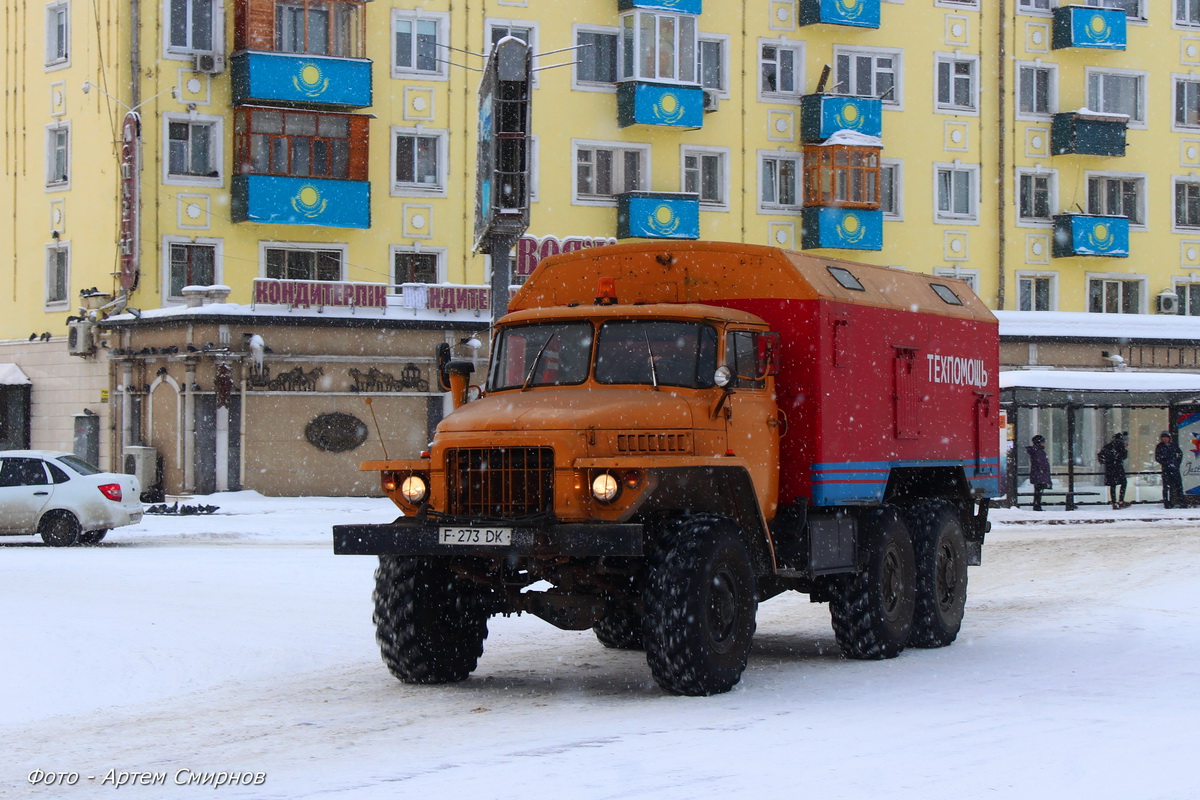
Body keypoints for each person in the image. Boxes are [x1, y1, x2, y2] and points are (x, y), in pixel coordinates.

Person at [1098, 432, 1130, 509]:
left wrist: (1108, 460)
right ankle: (1121, 501)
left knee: (1113, 485)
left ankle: (1114, 502)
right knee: (1124, 483)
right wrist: (1125, 449)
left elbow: (1101, 457)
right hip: (1118, 467)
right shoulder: (1121, 445)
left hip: (1110, 468)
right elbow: (1124, 456)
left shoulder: (1108, 446)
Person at [1155, 430, 1184, 509]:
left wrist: (1177, 463)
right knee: (1166, 486)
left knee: (1178, 485)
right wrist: (1166, 463)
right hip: (1166, 469)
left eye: (1166, 437)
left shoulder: (1173, 445)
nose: (1165, 439)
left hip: (1174, 468)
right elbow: (1157, 457)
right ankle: (1167, 503)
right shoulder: (1160, 446)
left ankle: (1181, 501)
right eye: (1163, 437)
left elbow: (1180, 454)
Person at [1026, 434, 1051, 511]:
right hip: (1039, 475)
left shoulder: (1036, 451)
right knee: (1038, 492)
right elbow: (1041, 464)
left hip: (1037, 474)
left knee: (1038, 491)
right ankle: (1037, 506)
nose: (1044, 443)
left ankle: (1037, 505)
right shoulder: (1039, 452)